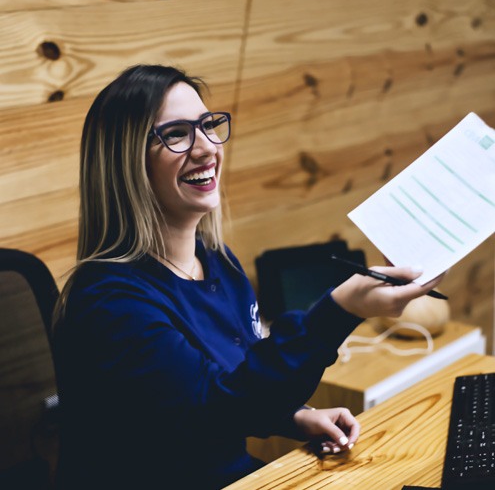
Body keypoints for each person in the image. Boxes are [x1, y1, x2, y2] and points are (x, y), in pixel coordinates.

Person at [52, 64, 444, 490]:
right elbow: (214, 411)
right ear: (125, 162)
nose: (206, 148)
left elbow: (235, 381)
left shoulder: (216, 261)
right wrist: (340, 311)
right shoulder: (110, 302)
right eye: (178, 134)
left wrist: (294, 416)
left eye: (208, 126)